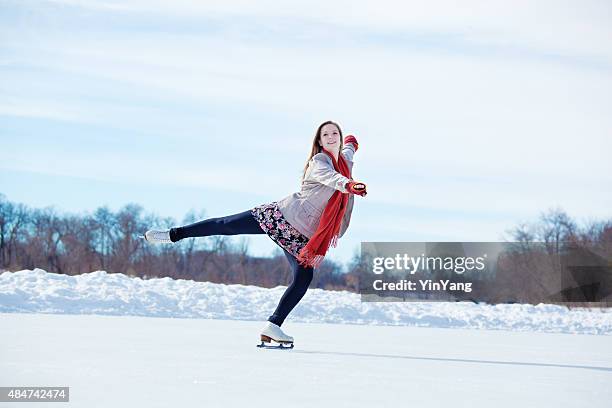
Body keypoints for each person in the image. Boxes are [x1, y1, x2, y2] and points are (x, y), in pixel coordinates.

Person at [143, 120, 367, 347]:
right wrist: (349, 186)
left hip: (301, 237)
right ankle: (173, 234)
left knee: (303, 278)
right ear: (319, 141)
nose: (331, 137)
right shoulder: (319, 162)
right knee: (227, 224)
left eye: (335, 133)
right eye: (325, 134)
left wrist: (352, 143)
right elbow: (332, 178)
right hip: (281, 217)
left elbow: (349, 150)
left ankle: (273, 325)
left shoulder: (345, 161)